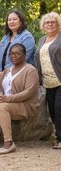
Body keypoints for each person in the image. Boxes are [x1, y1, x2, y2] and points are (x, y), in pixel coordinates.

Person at [0, 43, 39, 154]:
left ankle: (9, 143)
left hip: (25, 105)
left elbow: (28, 92)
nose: (14, 56)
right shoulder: (7, 70)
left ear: (24, 55)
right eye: (12, 54)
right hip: (8, 102)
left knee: (1, 107)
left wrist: (7, 99)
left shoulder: (30, 70)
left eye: (18, 53)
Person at [35, 12, 61, 149]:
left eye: (53, 22)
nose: (50, 24)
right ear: (43, 25)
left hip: (60, 80)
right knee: (52, 111)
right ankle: (58, 137)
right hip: (47, 82)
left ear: (58, 24)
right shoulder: (42, 40)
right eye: (47, 22)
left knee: (59, 108)